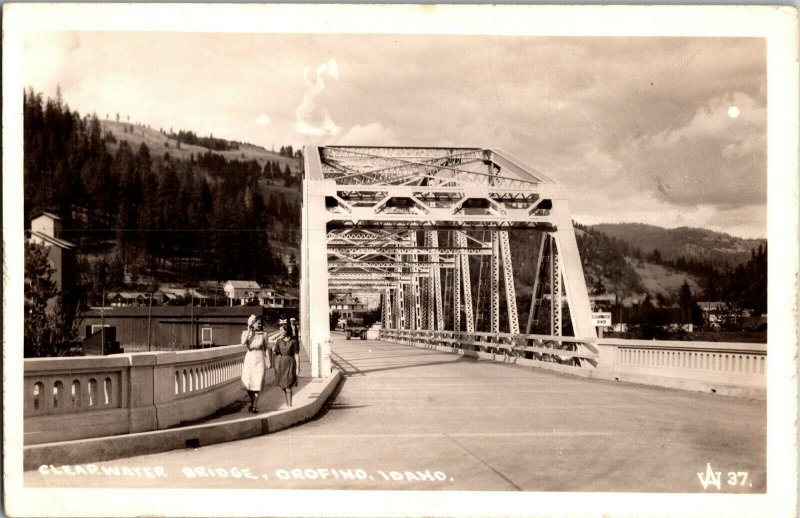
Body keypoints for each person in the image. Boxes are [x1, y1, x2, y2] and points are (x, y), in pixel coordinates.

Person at [240, 314, 267, 413]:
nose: (260, 325)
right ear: (252, 324)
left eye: (260, 323)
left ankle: (255, 405)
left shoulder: (264, 334)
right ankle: (252, 402)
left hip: (259, 358)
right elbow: (243, 343)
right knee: (249, 383)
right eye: (258, 323)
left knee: (258, 382)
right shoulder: (246, 333)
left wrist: (268, 361)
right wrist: (249, 330)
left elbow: (266, 348)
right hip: (250, 358)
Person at [274, 322, 299, 407]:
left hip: (290, 363)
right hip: (282, 363)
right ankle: (287, 403)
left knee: (288, 385)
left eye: (281, 330)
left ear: (286, 330)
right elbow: (276, 353)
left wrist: (298, 368)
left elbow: (296, 354)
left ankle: (290, 405)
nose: (279, 332)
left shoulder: (293, 341)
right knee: (284, 386)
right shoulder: (279, 341)